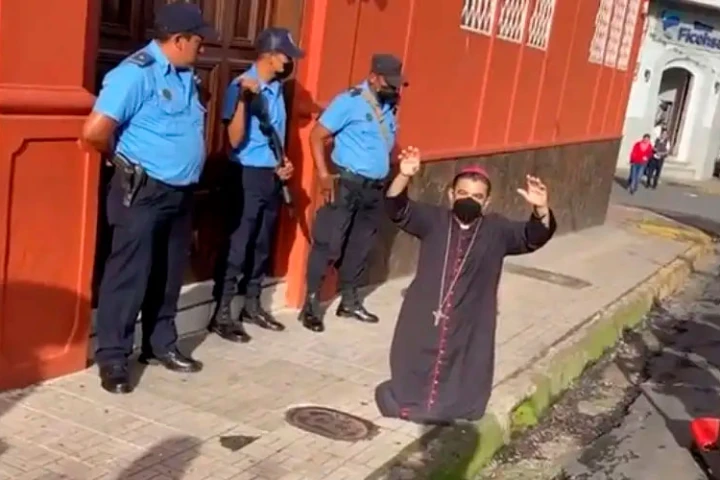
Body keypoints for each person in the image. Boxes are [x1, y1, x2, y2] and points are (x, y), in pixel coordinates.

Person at [80, 3, 217, 394]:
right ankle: (113, 358)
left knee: (169, 273)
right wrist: (122, 161)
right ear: (179, 39)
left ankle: (160, 345)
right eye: (199, 40)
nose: (203, 47)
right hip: (142, 191)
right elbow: (93, 133)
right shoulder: (135, 74)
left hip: (180, 192)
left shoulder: (187, 75)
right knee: (129, 275)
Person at [374, 148, 556, 424]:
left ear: (487, 201)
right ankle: (412, 401)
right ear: (451, 195)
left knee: (463, 362)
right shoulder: (433, 220)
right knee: (414, 356)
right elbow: (396, 208)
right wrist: (403, 175)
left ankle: (452, 407)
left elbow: (534, 235)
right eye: (463, 193)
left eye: (477, 196)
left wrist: (540, 208)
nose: (469, 199)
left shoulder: (497, 230)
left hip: (471, 316)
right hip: (425, 308)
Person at [298, 53, 408, 333]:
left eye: (397, 83)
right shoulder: (349, 101)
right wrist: (323, 174)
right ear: (373, 77)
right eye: (389, 82)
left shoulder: (390, 106)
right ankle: (311, 305)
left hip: (373, 189)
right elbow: (317, 135)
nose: (394, 88)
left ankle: (349, 301)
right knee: (328, 244)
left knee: (360, 246)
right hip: (346, 184)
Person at [209, 28, 303, 343]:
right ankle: (222, 313)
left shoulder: (277, 89)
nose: (289, 62)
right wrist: (244, 100)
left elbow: (275, 137)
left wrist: (283, 163)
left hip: (270, 175)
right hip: (246, 174)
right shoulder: (241, 86)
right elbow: (235, 140)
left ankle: (252, 304)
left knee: (262, 243)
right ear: (270, 55)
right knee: (239, 244)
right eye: (286, 55)